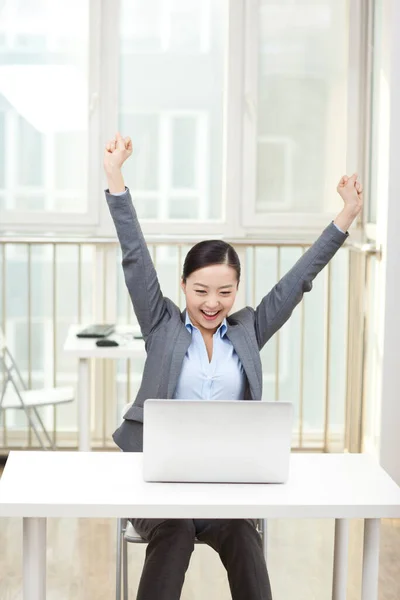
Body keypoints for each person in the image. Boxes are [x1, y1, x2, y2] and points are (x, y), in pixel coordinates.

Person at [104, 132, 363, 600]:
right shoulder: (161, 325)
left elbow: (297, 281)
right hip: (159, 486)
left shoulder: (247, 330)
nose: (212, 303)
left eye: (225, 292)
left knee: (245, 537)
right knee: (176, 532)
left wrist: (344, 217)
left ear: (237, 290)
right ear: (183, 285)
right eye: (201, 290)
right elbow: (134, 257)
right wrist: (115, 178)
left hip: (226, 485)